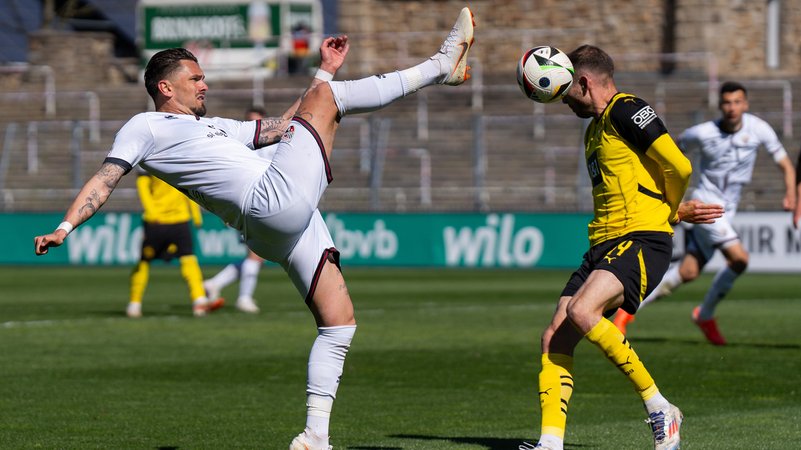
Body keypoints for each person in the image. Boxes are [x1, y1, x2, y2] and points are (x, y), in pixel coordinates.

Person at [34, 7, 475, 449]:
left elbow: (287, 128)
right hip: (268, 203)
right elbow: (106, 176)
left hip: (274, 227)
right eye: (196, 78)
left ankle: (314, 437)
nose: (205, 84)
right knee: (328, 100)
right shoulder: (145, 125)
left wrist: (324, 70)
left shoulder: (215, 128)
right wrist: (65, 226)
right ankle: (440, 65)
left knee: (338, 325)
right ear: (165, 87)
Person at [520, 45, 723, 450]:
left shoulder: (626, 109)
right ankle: (550, 443)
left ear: (584, 82)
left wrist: (668, 213)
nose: (563, 102)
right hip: (604, 244)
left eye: (566, 92)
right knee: (553, 339)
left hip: (642, 240)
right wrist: (674, 209)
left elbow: (679, 166)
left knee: (582, 311)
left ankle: (659, 407)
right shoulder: (595, 128)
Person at [613, 81, 796, 345]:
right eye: (726, 103)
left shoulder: (759, 129)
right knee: (740, 259)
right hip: (706, 204)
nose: (732, 108)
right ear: (719, 105)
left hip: (728, 210)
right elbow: (668, 155)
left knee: (687, 272)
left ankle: (625, 312)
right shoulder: (702, 133)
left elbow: (786, 165)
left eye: (737, 102)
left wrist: (790, 193)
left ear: (745, 104)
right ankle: (705, 314)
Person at [127, 170, 223, 318]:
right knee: (144, 261)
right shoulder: (149, 156)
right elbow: (142, 185)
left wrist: (196, 214)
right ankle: (134, 303)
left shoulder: (180, 154)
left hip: (180, 220)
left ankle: (199, 301)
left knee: (189, 259)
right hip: (156, 220)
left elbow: (188, 187)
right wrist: (152, 212)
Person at [202, 106, 271, 314]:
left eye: (257, 121)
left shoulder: (274, 143)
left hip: (267, 199)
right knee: (256, 254)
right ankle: (244, 298)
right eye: (250, 120)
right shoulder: (239, 144)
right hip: (248, 200)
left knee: (259, 255)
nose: (253, 125)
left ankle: (214, 284)